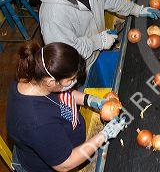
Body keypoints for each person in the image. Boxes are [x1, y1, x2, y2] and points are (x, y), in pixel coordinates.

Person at [7, 42, 126, 172]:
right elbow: (65, 163)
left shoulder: (35, 78)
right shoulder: (38, 122)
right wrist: (104, 135)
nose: (74, 83)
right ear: (51, 82)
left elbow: (62, 94)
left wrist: (91, 100)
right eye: (71, 80)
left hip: (58, 139)